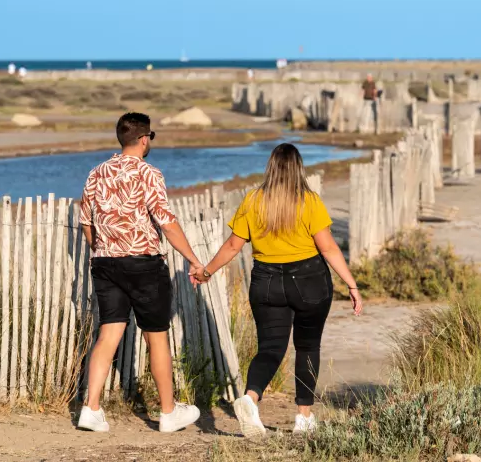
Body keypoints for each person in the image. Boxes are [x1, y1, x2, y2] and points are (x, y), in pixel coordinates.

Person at [192, 143, 362, 437]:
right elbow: (329, 248)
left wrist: (207, 271)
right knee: (307, 347)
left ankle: (250, 398)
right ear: (299, 168)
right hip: (309, 280)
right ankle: (303, 418)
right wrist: (352, 284)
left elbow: (232, 246)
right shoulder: (309, 201)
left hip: (266, 281)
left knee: (270, 348)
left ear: (270, 167)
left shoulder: (253, 200)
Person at [77, 112, 203, 433]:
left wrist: (103, 250)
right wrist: (192, 259)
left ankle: (91, 409)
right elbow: (166, 222)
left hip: (105, 263)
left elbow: (86, 223)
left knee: (108, 333)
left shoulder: (96, 173)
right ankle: (168, 412)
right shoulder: (149, 173)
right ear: (144, 139)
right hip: (143, 263)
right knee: (156, 336)